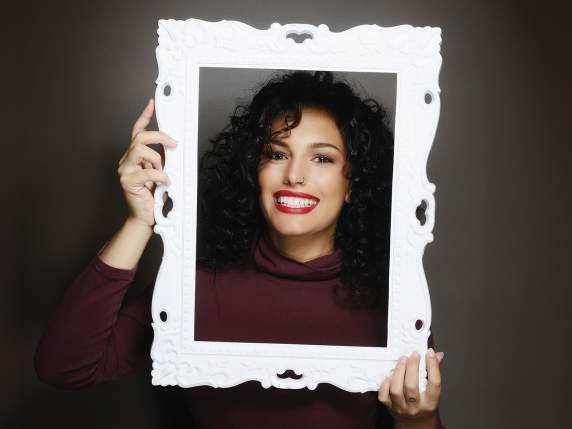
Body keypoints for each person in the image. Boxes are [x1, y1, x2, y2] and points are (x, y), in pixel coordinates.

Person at [34, 70, 446, 429]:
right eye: (277, 153)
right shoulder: (194, 287)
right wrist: (140, 220)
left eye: (322, 158)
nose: (295, 175)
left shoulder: (393, 305)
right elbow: (66, 366)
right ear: (255, 168)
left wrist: (419, 420)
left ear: (353, 182)